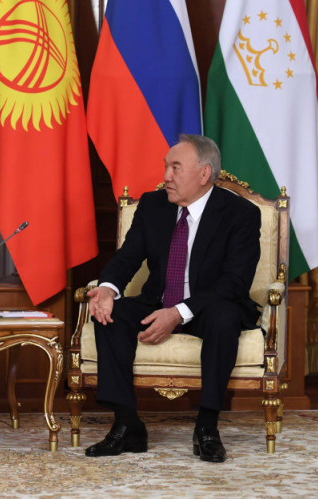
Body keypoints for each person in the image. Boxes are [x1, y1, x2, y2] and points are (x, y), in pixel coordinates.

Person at [84, 134, 261, 463]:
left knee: (225, 316)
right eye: (166, 167)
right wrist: (107, 288)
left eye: (175, 168)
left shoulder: (240, 213)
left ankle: (207, 426)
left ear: (204, 173)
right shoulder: (153, 205)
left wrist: (179, 312)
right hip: (158, 300)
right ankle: (127, 424)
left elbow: (235, 281)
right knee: (110, 315)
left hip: (208, 306)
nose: (166, 176)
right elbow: (128, 256)